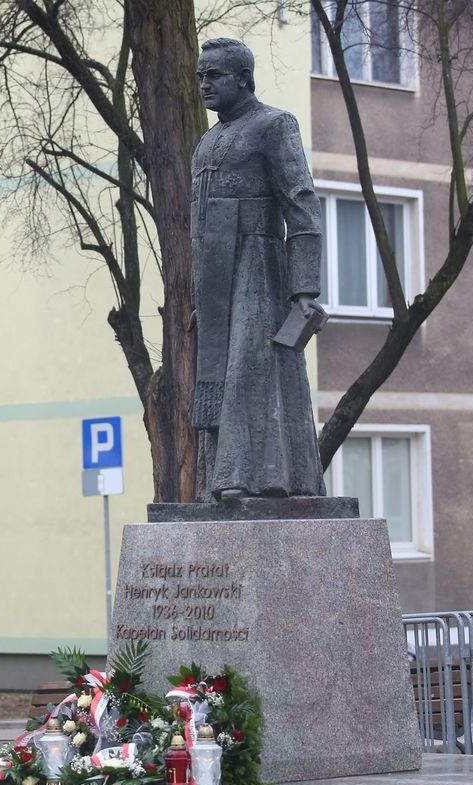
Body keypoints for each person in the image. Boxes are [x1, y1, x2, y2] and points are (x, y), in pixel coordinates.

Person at [190, 37, 326, 500]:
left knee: (252, 367)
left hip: (257, 266)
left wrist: (304, 286)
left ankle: (253, 477)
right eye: (200, 75)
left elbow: (301, 202)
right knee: (218, 376)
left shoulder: (274, 124)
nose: (205, 84)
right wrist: (200, 297)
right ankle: (222, 476)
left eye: (214, 75)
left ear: (243, 77)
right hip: (215, 279)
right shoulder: (207, 141)